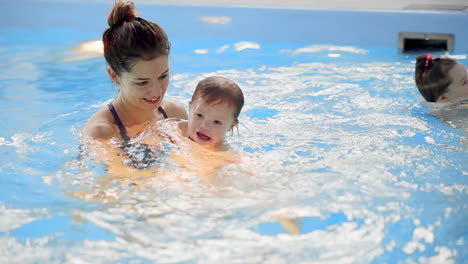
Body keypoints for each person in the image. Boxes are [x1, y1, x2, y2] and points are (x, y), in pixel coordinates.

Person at [83, 1, 187, 142]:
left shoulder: (175, 114)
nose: (156, 92)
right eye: (142, 82)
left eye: (163, 76)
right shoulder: (102, 133)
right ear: (114, 76)